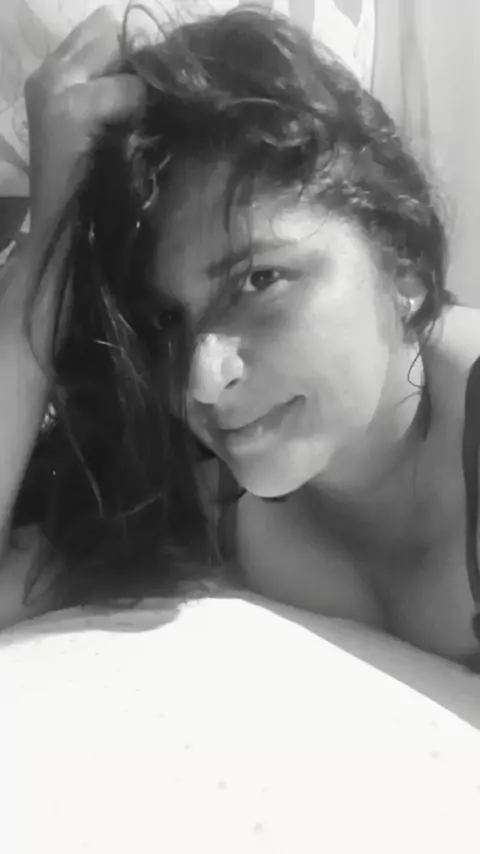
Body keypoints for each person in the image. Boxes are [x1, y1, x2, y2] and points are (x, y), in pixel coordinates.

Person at [1, 3, 480, 674]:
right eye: (167, 320)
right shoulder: (213, 500)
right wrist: (48, 249)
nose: (203, 378)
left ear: (401, 264)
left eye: (259, 281)